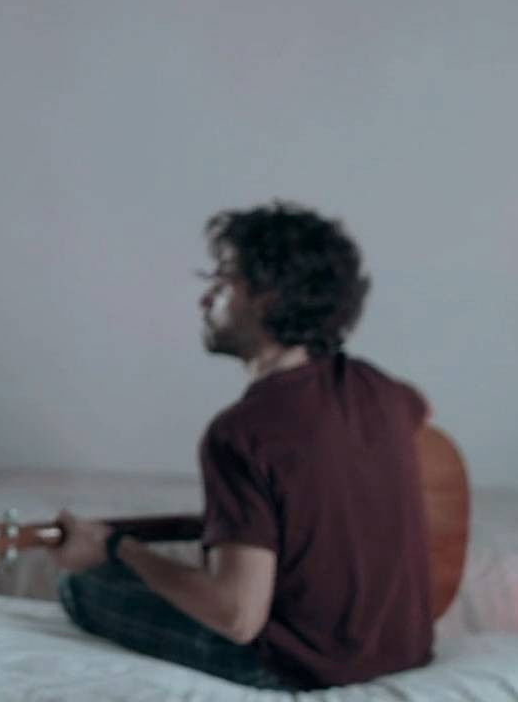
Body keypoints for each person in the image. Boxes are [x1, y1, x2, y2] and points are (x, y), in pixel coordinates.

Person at [50, 201, 433, 691]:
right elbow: (421, 410)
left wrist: (116, 547)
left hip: (299, 667)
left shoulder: (240, 433)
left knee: (80, 585)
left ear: (269, 297)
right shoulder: (383, 390)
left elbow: (237, 617)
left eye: (222, 280)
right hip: (405, 650)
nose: (204, 299)